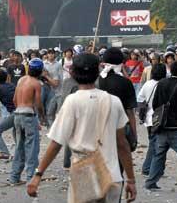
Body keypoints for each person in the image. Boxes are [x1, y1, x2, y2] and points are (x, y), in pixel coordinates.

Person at [27, 53, 136, 202]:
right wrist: (130, 179)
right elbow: (122, 144)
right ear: (98, 72)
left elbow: (56, 143)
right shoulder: (114, 101)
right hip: (112, 176)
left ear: (73, 73)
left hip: (85, 175)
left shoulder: (73, 101)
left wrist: (38, 175)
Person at [145, 61, 177, 191]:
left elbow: (155, 104)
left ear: (170, 70)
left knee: (159, 154)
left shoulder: (161, 83)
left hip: (161, 126)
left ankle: (151, 182)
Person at [9, 58, 45, 184]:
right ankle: (31, 178)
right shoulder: (36, 83)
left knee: (19, 147)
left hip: (17, 114)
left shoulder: (21, 80)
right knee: (32, 147)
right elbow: (39, 104)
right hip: (29, 115)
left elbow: (14, 99)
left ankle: (14, 177)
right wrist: (42, 116)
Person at [137, 64, 167, 176]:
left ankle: (155, 168)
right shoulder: (165, 84)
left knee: (154, 143)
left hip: (149, 118)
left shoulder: (147, 84)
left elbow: (140, 99)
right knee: (156, 145)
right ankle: (148, 168)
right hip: (161, 118)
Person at [43, 48, 63, 125]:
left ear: (55, 54)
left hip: (58, 91)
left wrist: (47, 76)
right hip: (47, 92)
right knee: (49, 113)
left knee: (59, 112)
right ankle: (52, 129)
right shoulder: (44, 64)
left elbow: (56, 83)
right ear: (47, 55)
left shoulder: (58, 65)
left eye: (52, 53)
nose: (51, 55)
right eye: (49, 53)